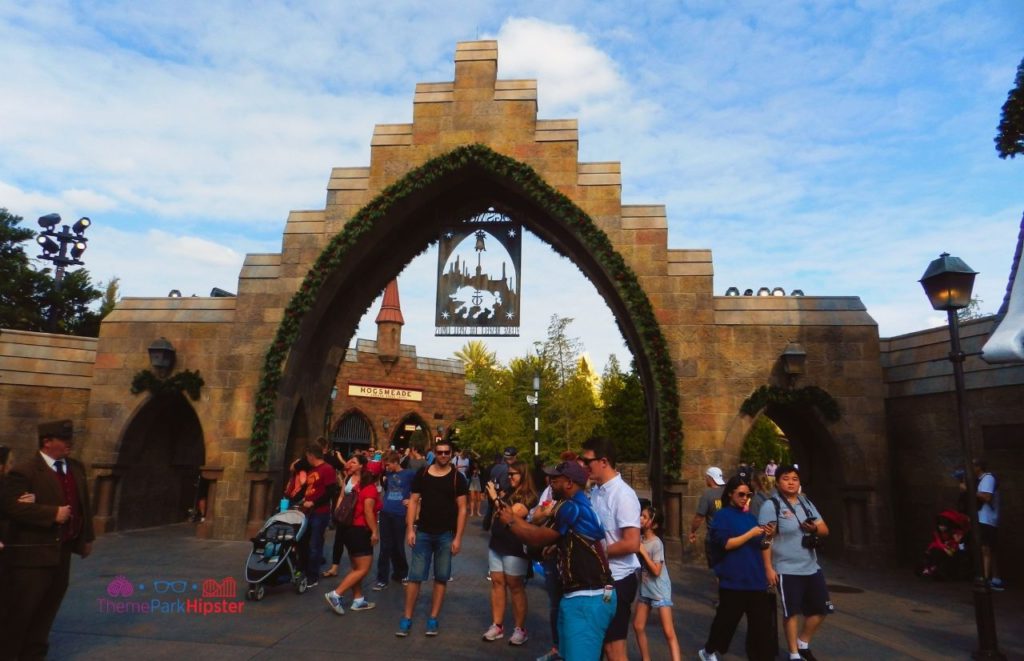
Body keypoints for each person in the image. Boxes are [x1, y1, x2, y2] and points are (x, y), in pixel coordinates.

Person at [497, 460, 615, 661]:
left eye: (555, 479)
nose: (550, 482)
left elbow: (536, 537)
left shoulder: (571, 507)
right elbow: (541, 535)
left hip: (588, 596)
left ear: (569, 483)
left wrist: (509, 522)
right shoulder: (573, 504)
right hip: (579, 596)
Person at [0, 420, 95, 660]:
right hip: (31, 556)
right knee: (21, 614)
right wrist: (52, 514)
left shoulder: (75, 468)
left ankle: (34, 656)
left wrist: (86, 538)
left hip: (61, 553)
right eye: (64, 440)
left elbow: (84, 504)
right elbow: (10, 507)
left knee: (46, 612)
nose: (69, 444)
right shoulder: (25, 471)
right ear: (47, 442)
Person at [759, 464, 833, 661]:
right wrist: (768, 568)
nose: (791, 482)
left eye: (794, 479)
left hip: (810, 565)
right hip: (786, 568)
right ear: (777, 481)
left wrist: (814, 529)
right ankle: (794, 654)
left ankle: (803, 642)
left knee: (822, 608)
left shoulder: (806, 502)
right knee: (791, 612)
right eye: (786, 478)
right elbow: (765, 540)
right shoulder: (771, 506)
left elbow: (825, 529)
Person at [396, 439, 468, 638]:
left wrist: (458, 537)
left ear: (451, 453)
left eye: (447, 452)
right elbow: (413, 501)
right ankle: (407, 617)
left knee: (441, 577)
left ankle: (433, 618)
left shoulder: (457, 478)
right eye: (440, 452)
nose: (443, 455)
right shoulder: (423, 474)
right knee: (415, 576)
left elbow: (462, 509)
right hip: (424, 532)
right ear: (434, 453)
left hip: (446, 534)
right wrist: (410, 529)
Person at [698, 476, 775, 661]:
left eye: (748, 494)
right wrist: (750, 534)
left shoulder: (750, 517)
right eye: (741, 494)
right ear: (731, 494)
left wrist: (769, 536)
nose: (744, 498)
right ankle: (708, 650)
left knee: (762, 627)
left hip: (755, 581)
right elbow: (726, 544)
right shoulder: (722, 516)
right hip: (734, 581)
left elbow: (762, 544)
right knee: (726, 623)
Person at [581, 436, 641, 661]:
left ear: (603, 461)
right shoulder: (596, 491)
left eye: (588, 462)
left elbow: (632, 543)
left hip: (617, 580)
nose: (585, 466)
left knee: (614, 650)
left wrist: (594, 552)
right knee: (601, 645)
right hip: (599, 578)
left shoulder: (623, 495)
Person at [530, 450, 580, 661]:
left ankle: (570, 651)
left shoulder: (578, 502)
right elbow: (536, 515)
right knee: (555, 605)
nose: (551, 481)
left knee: (571, 607)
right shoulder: (551, 492)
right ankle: (558, 649)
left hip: (573, 563)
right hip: (553, 560)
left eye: (556, 477)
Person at [482, 459, 538, 646]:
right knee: (497, 582)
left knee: (515, 585)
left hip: (515, 545)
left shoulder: (529, 496)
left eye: (513, 474)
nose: (510, 477)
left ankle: (520, 628)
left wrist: (495, 498)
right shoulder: (508, 491)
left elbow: (510, 515)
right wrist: (498, 499)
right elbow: (499, 513)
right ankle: (497, 625)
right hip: (497, 542)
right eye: (509, 474)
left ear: (523, 475)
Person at [325, 455, 381, 614]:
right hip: (360, 530)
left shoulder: (356, 486)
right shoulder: (369, 488)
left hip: (348, 529)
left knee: (356, 567)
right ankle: (336, 594)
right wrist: (375, 531)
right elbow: (368, 512)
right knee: (363, 568)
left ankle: (358, 600)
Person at [633, 505, 681, 661]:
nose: (640, 518)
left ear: (654, 524)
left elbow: (656, 570)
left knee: (668, 631)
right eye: (641, 515)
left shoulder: (656, 543)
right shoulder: (639, 539)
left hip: (660, 591)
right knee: (638, 626)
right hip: (645, 589)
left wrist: (642, 552)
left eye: (645, 517)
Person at [373, 451, 414, 590]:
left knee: (397, 546)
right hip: (385, 513)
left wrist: (414, 500)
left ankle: (401, 573)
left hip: (400, 514)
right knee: (385, 547)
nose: (386, 467)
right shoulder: (387, 475)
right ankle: (382, 578)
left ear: (396, 462)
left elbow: (418, 490)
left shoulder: (409, 474)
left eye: (388, 464)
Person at [299, 442, 336, 589]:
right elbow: (308, 489)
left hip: (319, 513)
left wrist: (314, 503)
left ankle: (312, 576)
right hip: (308, 512)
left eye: (307, 456)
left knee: (315, 545)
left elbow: (330, 491)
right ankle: (303, 570)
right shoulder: (313, 469)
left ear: (311, 455)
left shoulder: (327, 469)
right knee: (303, 542)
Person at [323, 454, 367, 578]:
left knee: (352, 543)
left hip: (355, 516)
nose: (350, 464)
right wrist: (337, 510)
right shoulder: (348, 478)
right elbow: (342, 495)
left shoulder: (365, 480)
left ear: (361, 466)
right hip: (344, 514)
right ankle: (334, 567)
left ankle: (356, 568)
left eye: (353, 462)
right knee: (338, 540)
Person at [972, 458, 1003, 590]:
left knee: (986, 549)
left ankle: (986, 580)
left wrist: (972, 491)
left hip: (987, 519)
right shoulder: (982, 479)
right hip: (984, 518)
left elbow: (987, 497)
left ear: (979, 467)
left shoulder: (987, 478)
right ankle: (995, 579)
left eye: (973, 465)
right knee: (990, 548)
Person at [690, 466, 726, 566]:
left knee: (717, 569)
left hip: (714, 537)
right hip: (729, 535)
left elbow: (699, 517)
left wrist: (693, 531)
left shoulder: (707, 494)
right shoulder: (728, 492)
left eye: (706, 477)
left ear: (710, 478)